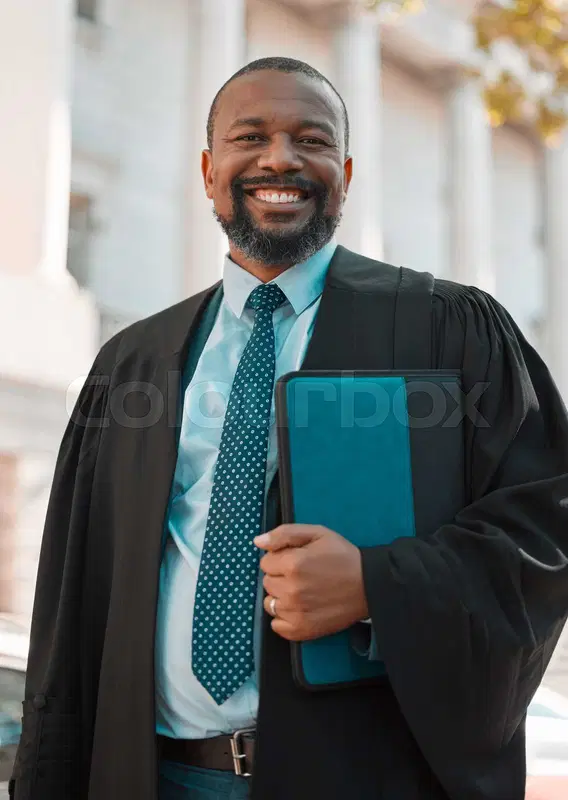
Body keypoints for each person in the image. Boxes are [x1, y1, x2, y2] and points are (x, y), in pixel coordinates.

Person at [10, 56, 568, 800]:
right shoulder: (135, 361)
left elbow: (546, 527)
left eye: (310, 139)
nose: (280, 158)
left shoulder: (448, 331)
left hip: (359, 778)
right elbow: (73, 602)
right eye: (251, 137)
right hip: (151, 775)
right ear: (210, 170)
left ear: (345, 170)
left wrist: (379, 584)